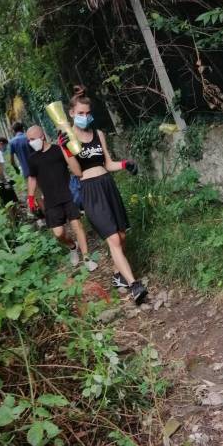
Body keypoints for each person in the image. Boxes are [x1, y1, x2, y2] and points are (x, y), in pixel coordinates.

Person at [69, 89, 147, 303]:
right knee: (112, 238)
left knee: (121, 236)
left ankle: (117, 276)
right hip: (90, 191)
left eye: (87, 113)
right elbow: (76, 172)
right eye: (81, 113)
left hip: (107, 185)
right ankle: (134, 285)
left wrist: (124, 164)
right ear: (71, 113)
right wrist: (67, 149)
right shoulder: (68, 139)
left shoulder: (99, 134)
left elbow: (107, 163)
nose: (85, 117)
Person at [26, 124, 97, 272]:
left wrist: (66, 149)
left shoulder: (58, 150)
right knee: (58, 234)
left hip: (67, 194)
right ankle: (72, 246)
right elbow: (32, 178)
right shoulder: (32, 159)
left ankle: (86, 258)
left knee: (77, 226)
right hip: (51, 200)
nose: (30, 142)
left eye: (32, 139)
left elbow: (75, 167)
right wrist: (31, 197)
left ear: (42, 137)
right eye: (29, 140)